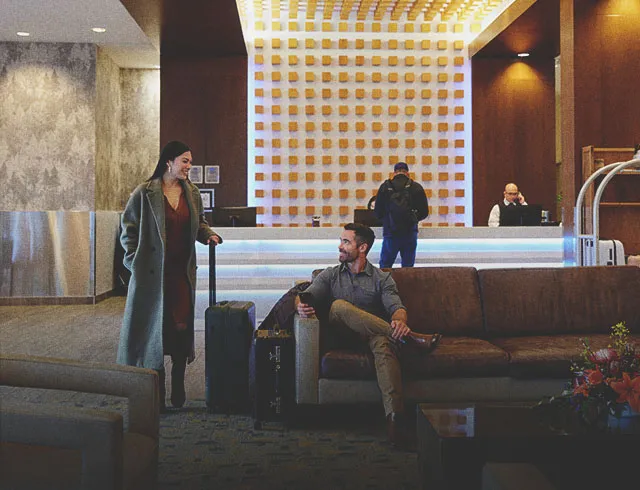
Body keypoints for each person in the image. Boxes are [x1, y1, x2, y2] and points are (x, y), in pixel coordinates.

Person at [296, 223, 441, 448]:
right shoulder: (331, 274)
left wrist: (400, 322)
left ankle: (395, 421)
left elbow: (396, 306)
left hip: (371, 335)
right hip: (341, 335)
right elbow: (306, 296)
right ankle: (411, 338)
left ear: (362, 248)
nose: (340, 246)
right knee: (340, 306)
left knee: (384, 345)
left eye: (346, 242)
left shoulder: (381, 278)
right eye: (341, 241)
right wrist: (299, 305)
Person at [117, 140, 222, 411]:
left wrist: (208, 235)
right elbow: (127, 230)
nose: (189, 166)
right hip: (153, 276)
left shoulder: (192, 193)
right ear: (169, 162)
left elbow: (199, 224)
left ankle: (178, 379)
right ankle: (158, 391)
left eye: (190, 161)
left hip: (181, 274)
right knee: (155, 332)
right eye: (185, 161)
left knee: (181, 328)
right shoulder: (144, 193)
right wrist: (134, 262)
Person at [374, 161, 429, 268]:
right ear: (407, 173)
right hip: (409, 232)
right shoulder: (416, 187)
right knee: (408, 267)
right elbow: (424, 212)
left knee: (385, 266)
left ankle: (385, 285)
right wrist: (413, 218)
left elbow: (378, 212)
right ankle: (407, 285)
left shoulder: (385, 187)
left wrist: (388, 220)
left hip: (390, 232)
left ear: (394, 173)